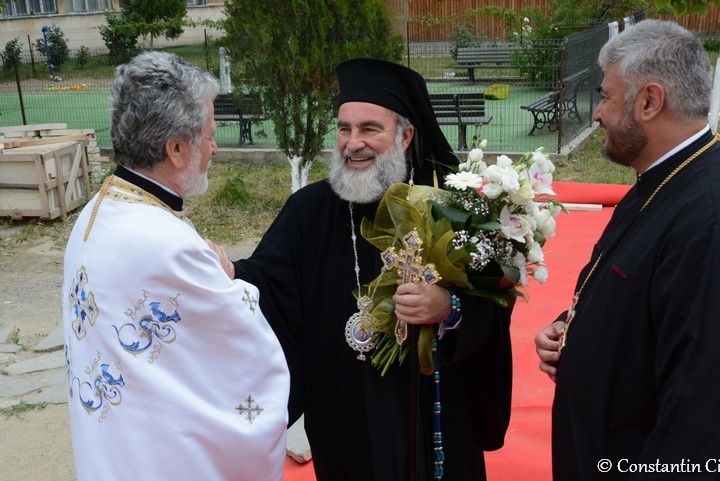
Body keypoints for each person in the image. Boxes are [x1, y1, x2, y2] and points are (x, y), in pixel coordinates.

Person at [222, 58, 513, 481]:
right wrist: (229, 272)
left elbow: (495, 302)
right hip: (344, 418)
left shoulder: (450, 204)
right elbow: (267, 284)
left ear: (406, 136)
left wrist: (449, 308)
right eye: (344, 129)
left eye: (369, 129)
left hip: (432, 416)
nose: (352, 143)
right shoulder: (308, 211)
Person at [534, 20, 720, 480]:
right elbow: (645, 293)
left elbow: (700, 412)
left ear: (649, 101)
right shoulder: (664, 179)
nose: (597, 114)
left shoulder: (717, 222)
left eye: (606, 97)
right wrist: (574, 329)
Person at [61, 51, 289, 481]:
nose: (215, 149)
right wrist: (230, 281)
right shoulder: (167, 243)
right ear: (178, 149)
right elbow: (245, 348)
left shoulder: (97, 211)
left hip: (118, 452)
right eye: (210, 136)